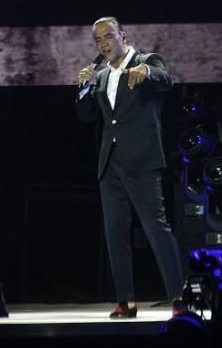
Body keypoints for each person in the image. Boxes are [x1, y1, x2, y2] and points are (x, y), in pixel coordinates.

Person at [76, 16, 184, 318]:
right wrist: (84, 86)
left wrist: (146, 71)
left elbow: (166, 78)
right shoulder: (98, 72)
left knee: (156, 228)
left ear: (122, 35)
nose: (103, 44)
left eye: (108, 36)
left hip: (142, 160)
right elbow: (85, 115)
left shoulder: (146, 61)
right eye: (98, 40)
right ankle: (126, 301)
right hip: (110, 164)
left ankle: (179, 297)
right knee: (115, 233)